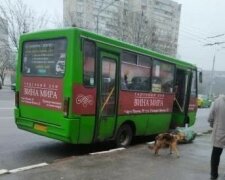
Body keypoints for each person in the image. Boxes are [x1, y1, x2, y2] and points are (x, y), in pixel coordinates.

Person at [208, 94, 225, 179]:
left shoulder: (218, 101)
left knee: (216, 154)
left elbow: (210, 117)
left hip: (219, 132)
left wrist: (213, 125)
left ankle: (214, 174)